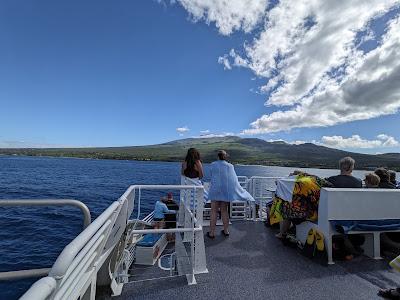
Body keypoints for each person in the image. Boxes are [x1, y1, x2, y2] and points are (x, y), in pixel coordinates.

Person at [206, 150, 254, 238]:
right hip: (225, 191)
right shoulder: (230, 166)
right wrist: (237, 190)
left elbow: (212, 176)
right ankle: (226, 230)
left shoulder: (212, 164)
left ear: (218, 156)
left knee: (214, 211)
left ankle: (211, 233)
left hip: (215, 189)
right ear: (225, 157)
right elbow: (233, 179)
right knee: (224, 210)